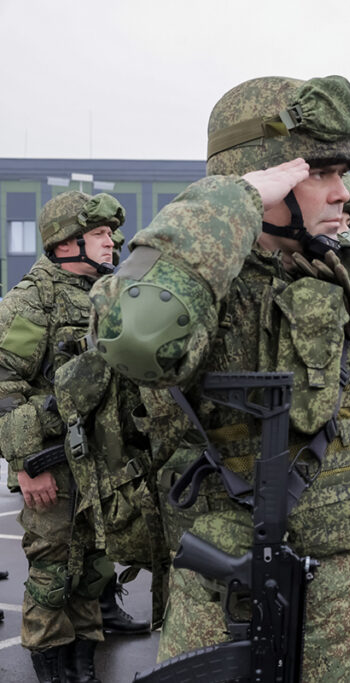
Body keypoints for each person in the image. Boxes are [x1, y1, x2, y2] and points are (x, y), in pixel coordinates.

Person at [89, 75, 350, 681]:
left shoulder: (328, 265)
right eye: (321, 173)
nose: (345, 193)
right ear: (266, 181)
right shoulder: (212, 289)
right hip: (253, 597)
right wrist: (228, 199)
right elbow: (138, 334)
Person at [0, 190, 125, 681]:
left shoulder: (107, 293)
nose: (110, 241)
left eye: (109, 233)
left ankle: (82, 661)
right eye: (98, 233)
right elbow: (5, 388)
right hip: (51, 462)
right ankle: (49, 662)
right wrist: (29, 465)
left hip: (99, 461)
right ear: (66, 242)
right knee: (53, 569)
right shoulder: (32, 299)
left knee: (93, 567)